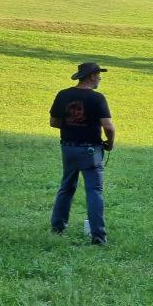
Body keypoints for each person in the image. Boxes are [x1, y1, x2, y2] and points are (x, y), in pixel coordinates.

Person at [49, 62, 115, 245]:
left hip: (68, 148)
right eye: (99, 75)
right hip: (90, 150)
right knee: (94, 190)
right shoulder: (97, 98)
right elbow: (108, 126)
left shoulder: (63, 95)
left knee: (66, 187)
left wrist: (72, 125)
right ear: (92, 76)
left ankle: (57, 227)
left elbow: (53, 122)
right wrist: (110, 143)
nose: (100, 78)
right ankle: (98, 236)